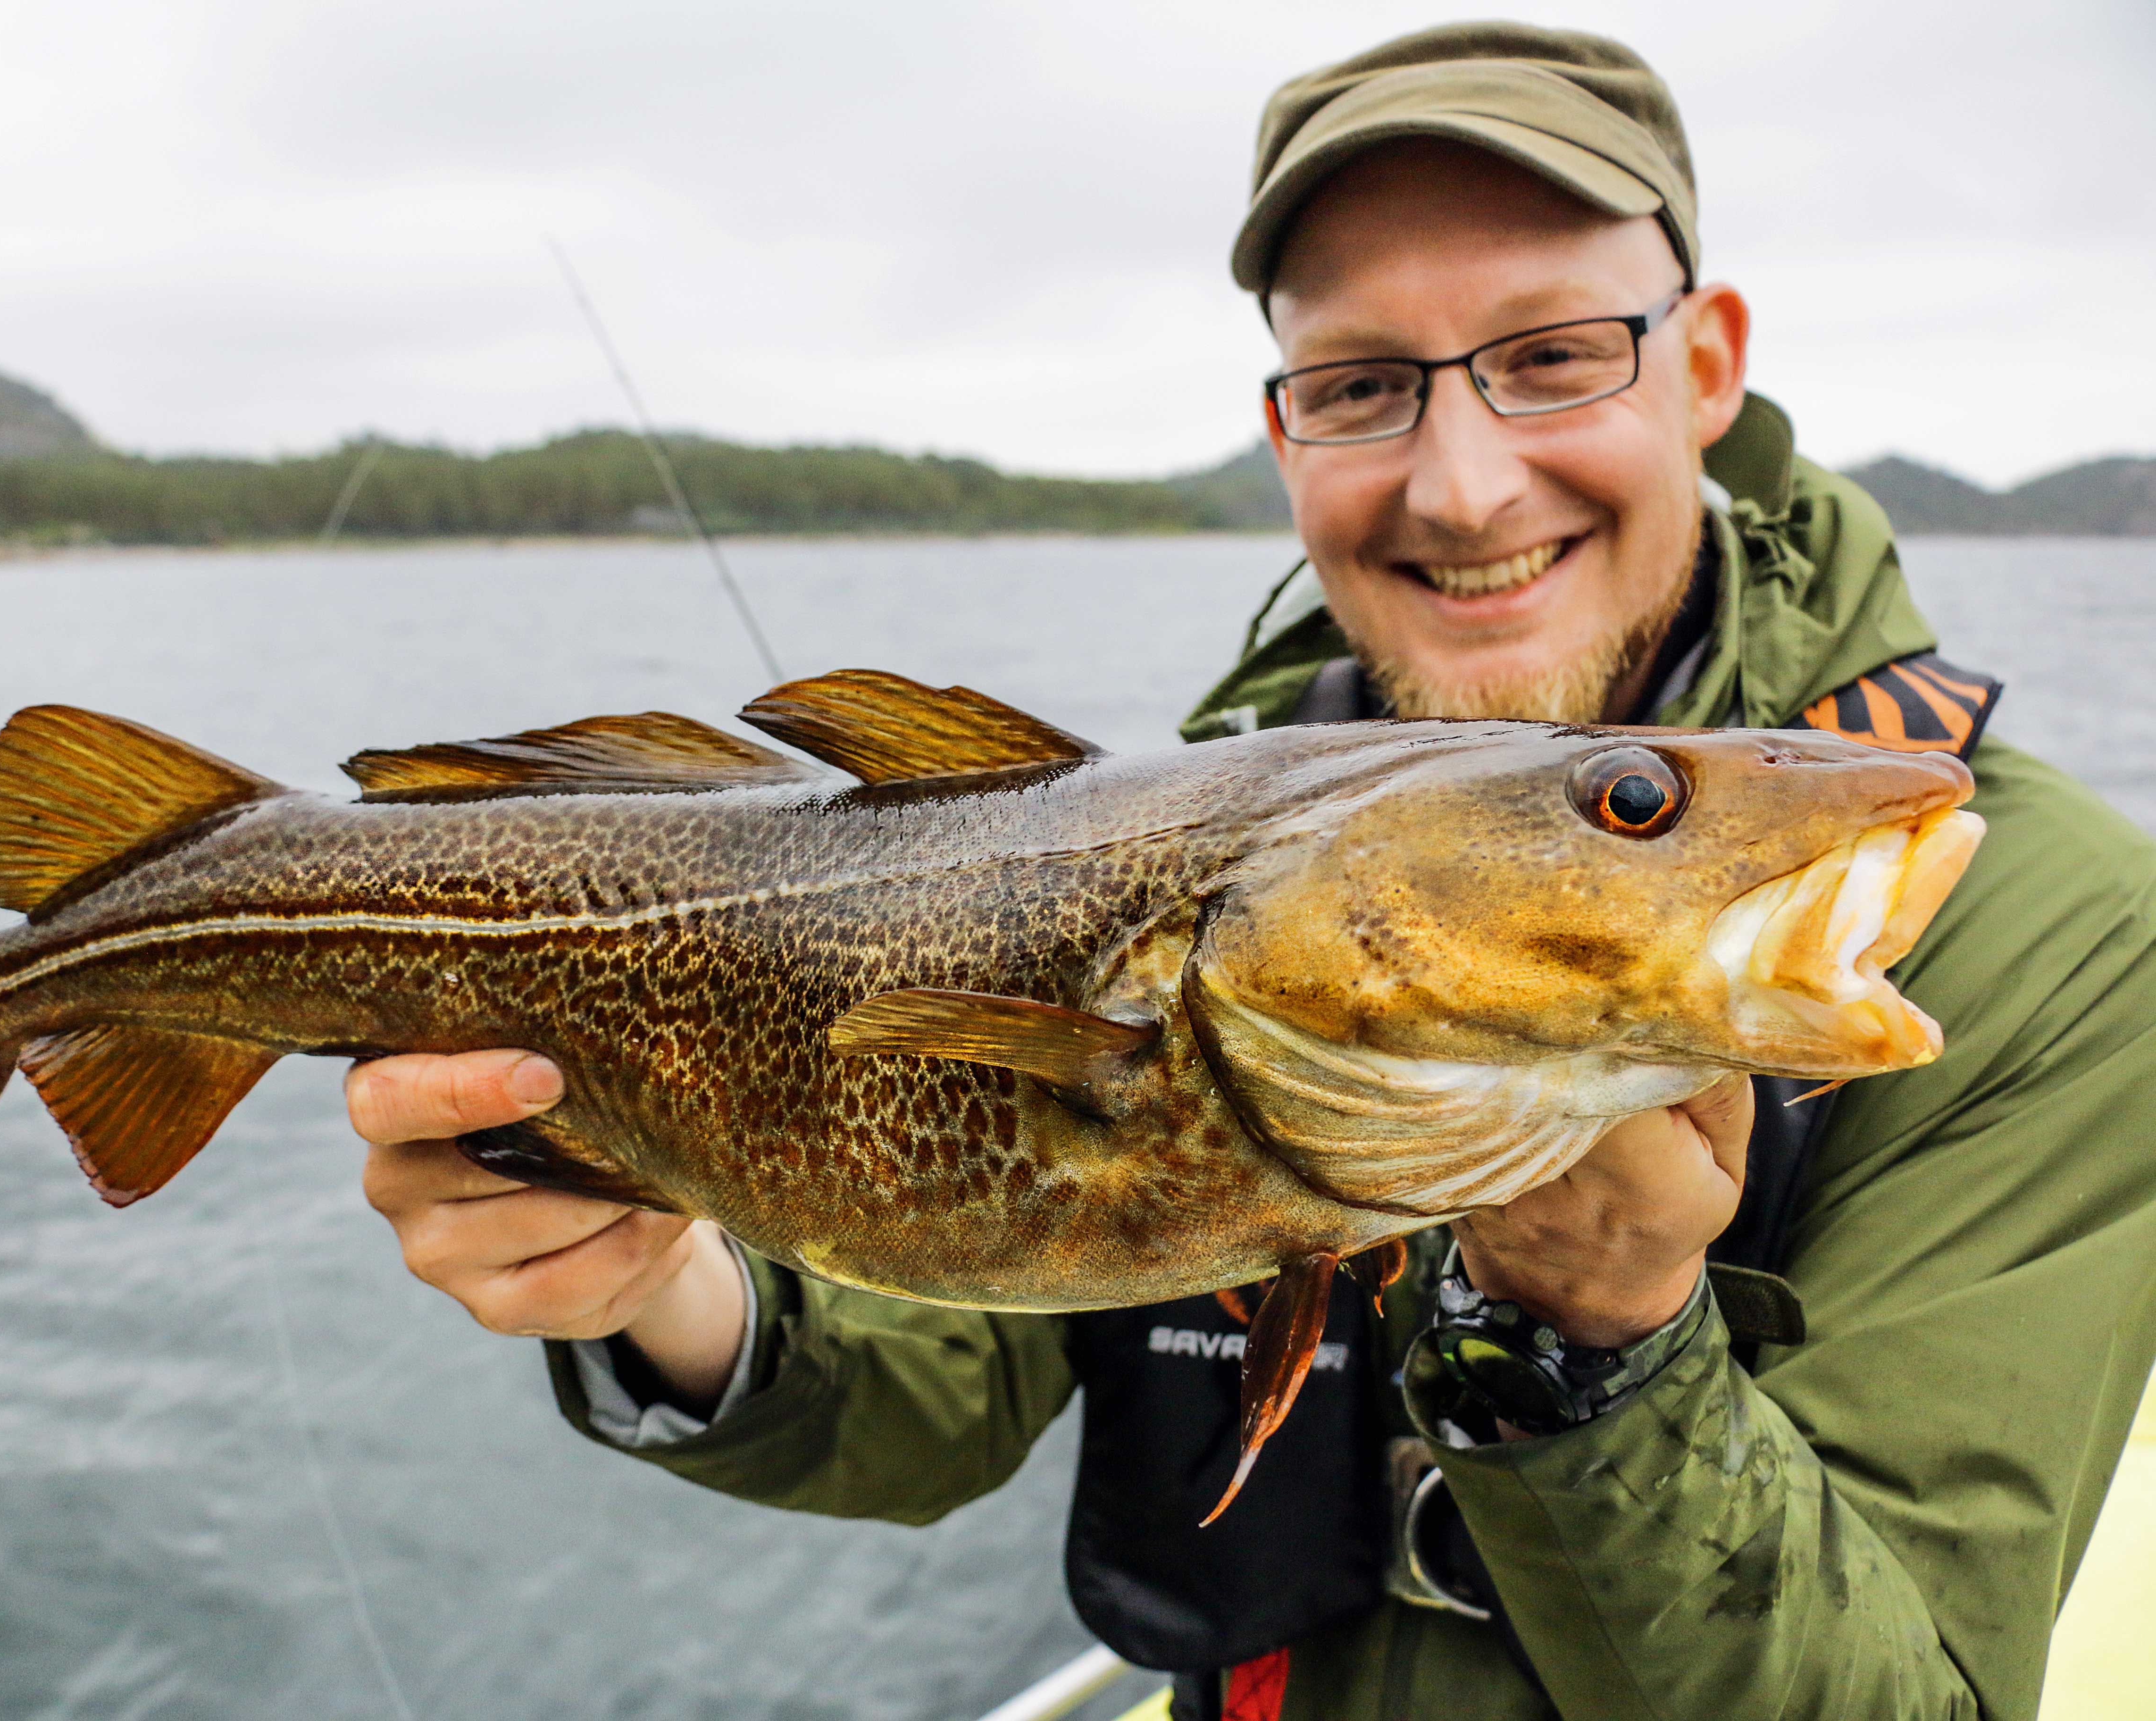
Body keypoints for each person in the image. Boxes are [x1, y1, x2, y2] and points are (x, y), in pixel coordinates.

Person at [347, 25, 2156, 1721]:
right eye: (1364, 385)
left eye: (1550, 357)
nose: (1460, 486)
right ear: (1286, 436)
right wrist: (650, 1275)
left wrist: (1604, 1342)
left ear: (1704, 369)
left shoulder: (2050, 927)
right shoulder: (1193, 823)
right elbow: (954, 1342)